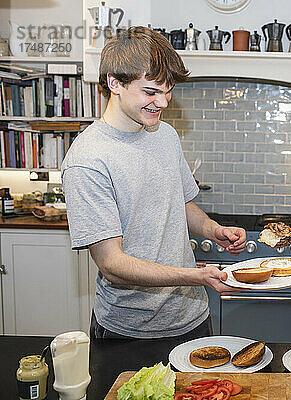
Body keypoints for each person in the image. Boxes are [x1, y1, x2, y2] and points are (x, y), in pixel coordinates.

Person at [61, 26, 246, 339]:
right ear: (114, 83)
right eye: (151, 92)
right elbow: (111, 264)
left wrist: (214, 231)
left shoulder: (164, 135)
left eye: (168, 91)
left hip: (193, 320)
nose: (163, 102)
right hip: (129, 331)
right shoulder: (88, 158)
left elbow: (181, 203)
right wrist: (197, 277)